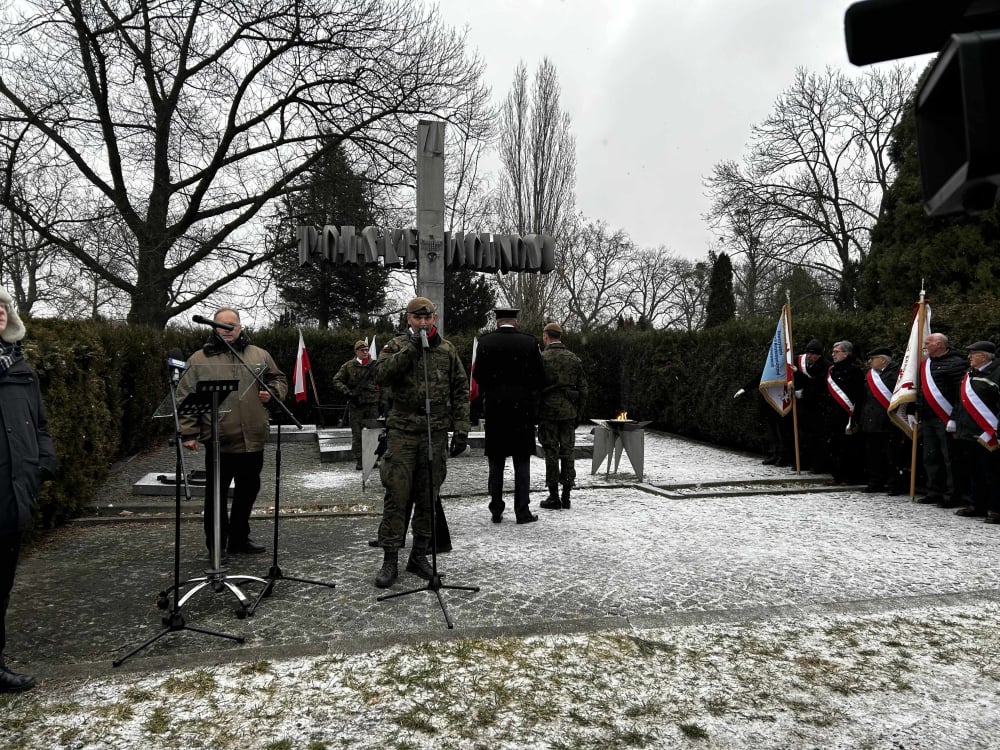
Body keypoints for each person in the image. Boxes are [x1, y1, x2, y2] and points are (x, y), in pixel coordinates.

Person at [372, 296, 470, 588]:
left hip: (435, 433)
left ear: (435, 318)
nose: (424, 324)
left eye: (429, 319)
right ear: (409, 319)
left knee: (428, 499)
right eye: (418, 319)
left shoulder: (447, 350)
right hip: (403, 433)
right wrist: (411, 350)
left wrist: (461, 429)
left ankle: (419, 555)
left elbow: (461, 391)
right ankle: (390, 559)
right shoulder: (396, 346)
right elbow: (381, 375)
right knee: (397, 497)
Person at [180, 307, 288, 557]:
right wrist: (189, 432)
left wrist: (272, 392)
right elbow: (185, 396)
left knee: (247, 494)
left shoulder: (259, 355)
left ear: (240, 327)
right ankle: (216, 545)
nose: (227, 329)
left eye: (232, 325)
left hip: (253, 439)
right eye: (222, 325)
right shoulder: (198, 360)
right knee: (215, 496)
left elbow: (279, 378)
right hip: (220, 442)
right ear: (213, 327)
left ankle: (239, 539)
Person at [0, 287, 55, 692]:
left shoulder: (21, 368)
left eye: (1, 308)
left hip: (15, 488)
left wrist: (42, 465)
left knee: (1, 584)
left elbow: (39, 424)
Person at [469, 307, 544, 524]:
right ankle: (522, 510)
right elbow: (539, 376)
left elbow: (479, 375)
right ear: (516, 322)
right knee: (522, 461)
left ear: (497, 322)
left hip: (496, 409)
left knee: (496, 461)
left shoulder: (485, 342)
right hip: (522, 411)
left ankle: (496, 508)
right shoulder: (530, 343)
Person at [538, 322, 588, 509]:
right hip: (568, 412)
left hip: (548, 412)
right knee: (567, 452)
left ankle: (553, 496)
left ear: (546, 337)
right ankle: (567, 494)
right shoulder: (574, 359)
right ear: (560, 336)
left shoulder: (542, 359)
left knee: (551, 452)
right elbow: (583, 389)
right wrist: (578, 413)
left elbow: (535, 388)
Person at [916, 332, 969, 507]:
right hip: (928, 417)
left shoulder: (956, 364)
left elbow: (960, 394)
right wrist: (913, 409)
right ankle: (933, 491)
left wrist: (953, 417)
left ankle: (952, 494)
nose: (925, 346)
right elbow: (922, 390)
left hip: (945, 418)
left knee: (950, 458)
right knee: (930, 457)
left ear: (939, 344)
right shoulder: (925, 364)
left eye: (928, 342)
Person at [950, 341, 1000, 522]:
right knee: (974, 471)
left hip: (989, 433)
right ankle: (977, 505)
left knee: (993, 472)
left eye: (973, 354)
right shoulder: (970, 373)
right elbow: (960, 400)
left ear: (984, 356)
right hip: (969, 432)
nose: (969, 357)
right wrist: (953, 419)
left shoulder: (996, 373)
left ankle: (996, 509)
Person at [857, 346, 902, 494]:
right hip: (870, 421)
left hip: (888, 421)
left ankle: (893, 484)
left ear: (883, 360)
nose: (870, 362)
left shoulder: (896, 374)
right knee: (872, 455)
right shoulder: (871, 375)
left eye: (873, 359)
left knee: (891, 456)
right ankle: (875, 482)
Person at [333, 340, 380, 470]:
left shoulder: (375, 366)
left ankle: (372, 459)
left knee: (373, 433)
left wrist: (383, 401)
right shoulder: (348, 366)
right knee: (357, 434)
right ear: (356, 352)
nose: (365, 352)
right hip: (356, 405)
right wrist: (347, 391)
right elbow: (336, 380)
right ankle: (360, 460)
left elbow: (383, 382)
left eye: (366, 350)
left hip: (372, 404)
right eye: (362, 350)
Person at [826, 340, 865, 485]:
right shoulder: (832, 369)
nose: (833, 354)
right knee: (834, 446)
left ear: (846, 353)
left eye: (836, 352)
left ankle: (850, 477)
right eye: (833, 352)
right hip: (833, 414)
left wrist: (855, 416)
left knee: (849, 448)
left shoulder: (854, 370)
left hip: (847, 414)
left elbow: (858, 395)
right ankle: (837, 476)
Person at [792, 339, 830, 472]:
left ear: (819, 355)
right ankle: (803, 462)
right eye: (807, 353)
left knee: (816, 437)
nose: (808, 356)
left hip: (817, 406)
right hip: (804, 405)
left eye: (812, 354)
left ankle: (817, 465)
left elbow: (818, 385)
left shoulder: (825, 366)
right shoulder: (802, 362)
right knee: (803, 435)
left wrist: (804, 393)